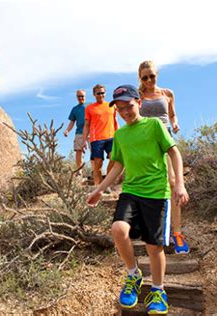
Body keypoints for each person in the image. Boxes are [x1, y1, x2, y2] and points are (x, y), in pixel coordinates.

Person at [87, 84, 189, 314]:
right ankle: (133, 274)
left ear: (139, 103)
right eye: (120, 109)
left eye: (129, 106)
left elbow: (174, 152)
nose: (124, 112)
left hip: (156, 194)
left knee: (154, 248)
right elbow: (118, 165)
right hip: (131, 191)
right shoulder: (120, 135)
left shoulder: (154, 125)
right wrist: (100, 189)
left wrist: (179, 184)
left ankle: (158, 290)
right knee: (118, 229)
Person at [138, 60, 189, 254]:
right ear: (140, 78)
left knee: (173, 180)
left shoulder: (167, 93)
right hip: (145, 141)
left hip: (166, 138)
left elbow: (173, 115)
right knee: (149, 184)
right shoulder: (138, 95)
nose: (149, 80)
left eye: (152, 76)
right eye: (145, 77)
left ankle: (176, 233)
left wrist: (175, 124)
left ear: (157, 74)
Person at [81, 84, 118, 185]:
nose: (101, 95)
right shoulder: (89, 108)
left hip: (111, 137)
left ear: (105, 93)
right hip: (96, 139)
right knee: (98, 164)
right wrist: (84, 141)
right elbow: (87, 125)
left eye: (102, 93)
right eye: (98, 93)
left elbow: (115, 122)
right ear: (94, 94)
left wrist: (118, 135)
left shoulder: (112, 106)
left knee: (114, 158)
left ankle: (106, 184)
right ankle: (98, 187)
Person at [63, 89, 87, 172]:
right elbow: (72, 122)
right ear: (76, 97)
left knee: (95, 152)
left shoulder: (90, 106)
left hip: (91, 132)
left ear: (85, 96)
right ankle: (79, 172)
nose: (81, 98)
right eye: (79, 96)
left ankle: (95, 173)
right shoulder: (75, 109)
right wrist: (67, 130)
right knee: (78, 153)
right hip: (79, 133)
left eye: (82, 96)